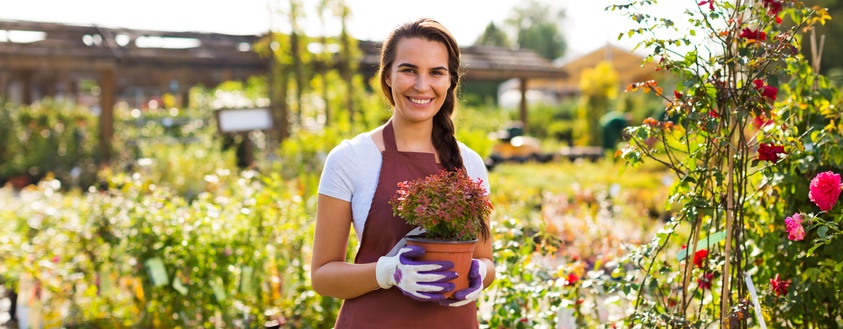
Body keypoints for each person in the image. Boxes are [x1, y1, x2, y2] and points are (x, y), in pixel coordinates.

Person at [310, 18, 495, 328]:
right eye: (409, 70)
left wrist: (480, 273)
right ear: (387, 78)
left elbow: (486, 260)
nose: (422, 86)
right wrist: (387, 273)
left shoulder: (470, 163)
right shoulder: (351, 158)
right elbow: (323, 275)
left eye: (436, 72)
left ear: (450, 81)